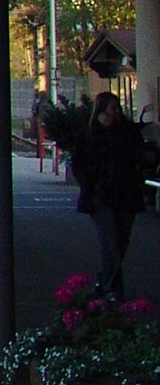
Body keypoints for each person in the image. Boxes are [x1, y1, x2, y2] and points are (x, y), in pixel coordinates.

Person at [73, 91, 150, 297]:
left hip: (126, 194)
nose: (116, 113)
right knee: (110, 242)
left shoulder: (127, 132)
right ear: (101, 111)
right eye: (112, 109)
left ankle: (107, 282)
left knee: (121, 241)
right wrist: (89, 185)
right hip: (100, 196)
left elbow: (139, 155)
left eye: (117, 108)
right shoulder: (89, 133)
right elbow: (79, 162)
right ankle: (110, 288)